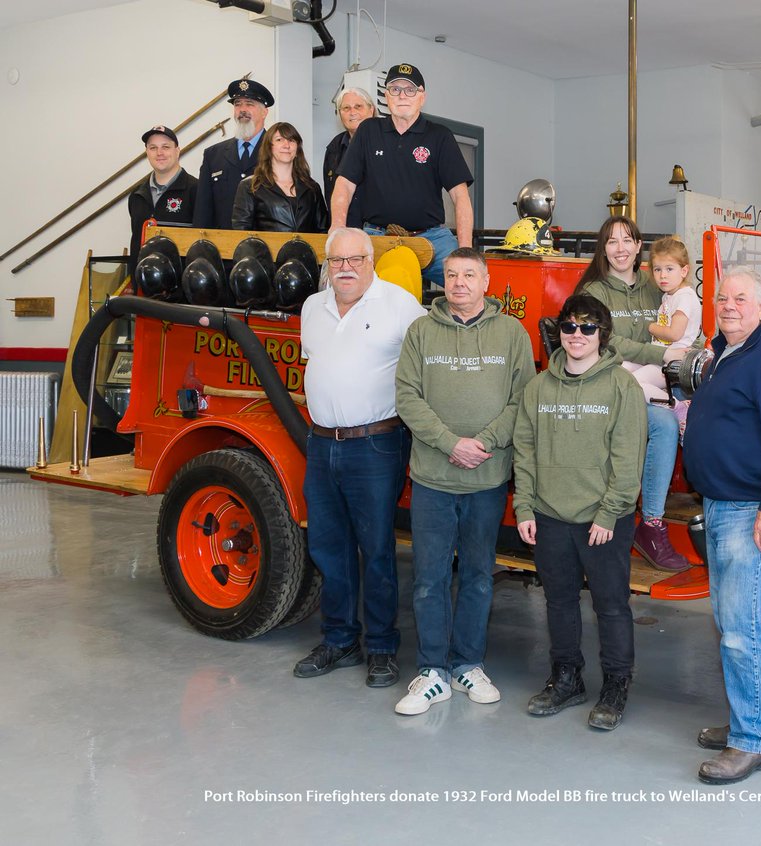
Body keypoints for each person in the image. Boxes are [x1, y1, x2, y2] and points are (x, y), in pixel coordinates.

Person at [681, 268, 761, 785]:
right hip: (722, 504)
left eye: (741, 298)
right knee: (742, 623)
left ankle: (752, 741)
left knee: (741, 631)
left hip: (750, 510)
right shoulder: (724, 355)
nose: (730, 305)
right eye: (723, 297)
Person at [393, 247, 534, 715]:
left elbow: (523, 399)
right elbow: (408, 398)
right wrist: (450, 442)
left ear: (486, 282)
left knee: (477, 577)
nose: (458, 283)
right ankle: (432, 671)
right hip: (433, 477)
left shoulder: (511, 333)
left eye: (469, 275)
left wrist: (486, 442)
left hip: (488, 479)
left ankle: (467, 665)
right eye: (451, 275)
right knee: (429, 580)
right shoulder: (420, 332)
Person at [294, 227, 426, 688]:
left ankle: (383, 649)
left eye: (356, 259)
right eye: (337, 261)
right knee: (328, 548)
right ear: (327, 266)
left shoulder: (401, 306)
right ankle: (339, 639)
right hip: (321, 442)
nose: (346, 268)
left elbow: (425, 366)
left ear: (372, 261)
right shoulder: (313, 307)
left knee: (376, 551)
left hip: (376, 445)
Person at [514, 294, 646, 730]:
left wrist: (610, 513)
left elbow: (629, 460)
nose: (577, 335)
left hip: (602, 520)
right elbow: (525, 451)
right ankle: (566, 677)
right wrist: (524, 506)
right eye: (569, 327)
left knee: (611, 606)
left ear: (602, 335)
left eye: (588, 328)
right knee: (559, 602)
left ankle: (615, 684)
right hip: (550, 515)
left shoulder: (622, 387)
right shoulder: (538, 387)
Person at [575, 216, 694, 573]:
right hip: (609, 380)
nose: (621, 248)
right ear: (603, 249)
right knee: (662, 423)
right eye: (612, 242)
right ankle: (653, 525)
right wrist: (664, 354)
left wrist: (691, 349)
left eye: (627, 240)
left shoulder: (655, 283)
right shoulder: (593, 292)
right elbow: (608, 342)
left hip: (657, 374)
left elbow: (681, 322)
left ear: (639, 245)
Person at [330, 63, 474, 285]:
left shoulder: (440, 136)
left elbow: (460, 196)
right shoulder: (368, 130)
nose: (402, 96)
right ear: (387, 96)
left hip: (432, 238)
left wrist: (465, 251)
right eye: (395, 90)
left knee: (469, 281)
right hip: (377, 236)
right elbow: (344, 185)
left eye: (410, 90)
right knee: (348, 284)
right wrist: (337, 230)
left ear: (421, 97)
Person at [623, 236, 701, 431]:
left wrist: (650, 327)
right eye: (657, 269)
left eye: (669, 269)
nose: (662, 276)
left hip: (674, 360)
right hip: (660, 354)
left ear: (684, 270)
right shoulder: (669, 294)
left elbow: (675, 333)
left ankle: (677, 406)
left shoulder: (684, 297)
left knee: (634, 384)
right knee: (620, 368)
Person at [193, 79, 273, 229]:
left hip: (264, 247)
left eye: (249, 104)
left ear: (264, 112)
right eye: (237, 104)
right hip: (223, 247)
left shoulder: (277, 152)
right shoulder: (213, 155)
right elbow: (203, 211)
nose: (242, 109)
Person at [231, 122, 328, 233]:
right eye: (279, 140)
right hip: (265, 250)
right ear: (269, 148)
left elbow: (323, 231)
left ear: (297, 149)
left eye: (291, 140)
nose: (286, 145)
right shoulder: (250, 186)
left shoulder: (312, 187)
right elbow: (241, 234)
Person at [127, 125, 197, 278]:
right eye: (153, 148)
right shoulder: (137, 195)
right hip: (144, 288)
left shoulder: (197, 191)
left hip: (181, 292)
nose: (159, 153)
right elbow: (136, 243)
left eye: (166, 147)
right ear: (147, 153)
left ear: (177, 151)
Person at [322, 87, 375, 227]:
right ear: (340, 114)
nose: (352, 112)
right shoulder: (334, 147)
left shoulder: (386, 142)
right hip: (346, 232)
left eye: (358, 106)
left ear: (371, 110)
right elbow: (330, 193)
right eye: (346, 108)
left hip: (380, 232)